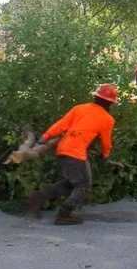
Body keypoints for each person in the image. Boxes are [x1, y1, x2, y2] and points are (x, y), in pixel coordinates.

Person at [27, 84, 118, 225]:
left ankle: (38, 196)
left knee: (71, 183)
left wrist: (45, 137)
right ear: (111, 103)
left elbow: (61, 124)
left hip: (63, 149)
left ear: (96, 97)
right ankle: (63, 215)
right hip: (75, 153)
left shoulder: (80, 108)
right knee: (84, 185)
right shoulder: (107, 119)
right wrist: (105, 155)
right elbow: (106, 142)